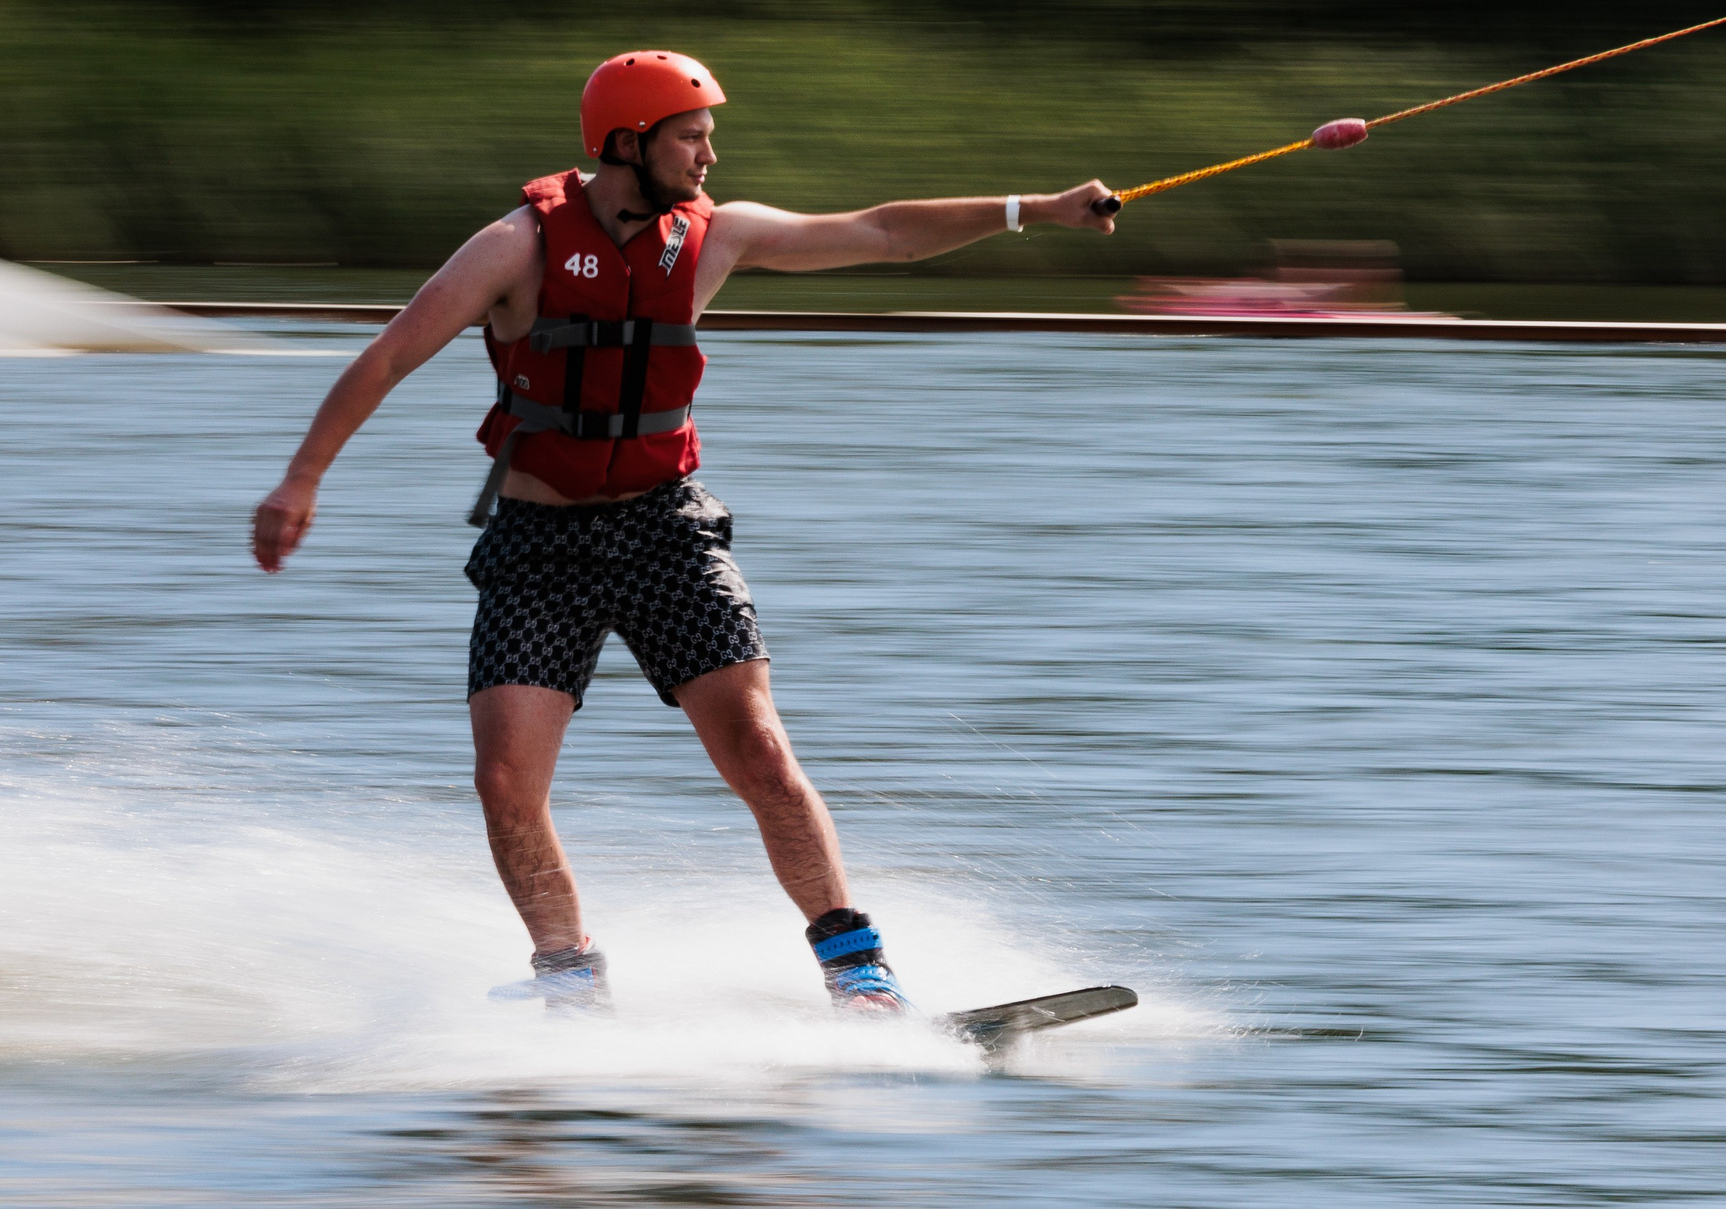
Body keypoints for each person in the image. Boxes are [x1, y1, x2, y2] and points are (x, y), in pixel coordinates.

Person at [250, 51, 1116, 1015]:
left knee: (758, 749)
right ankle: (569, 980)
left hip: (668, 528)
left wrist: (1036, 208)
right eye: (691, 137)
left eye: (709, 137)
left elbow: (881, 233)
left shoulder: (716, 236)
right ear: (628, 143)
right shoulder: (514, 247)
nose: (710, 155)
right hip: (540, 544)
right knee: (505, 782)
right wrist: (302, 478)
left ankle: (858, 974)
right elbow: (387, 356)